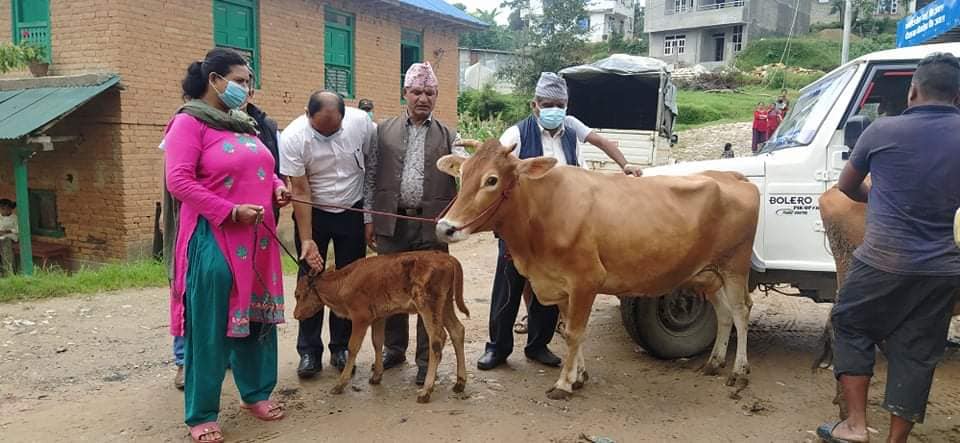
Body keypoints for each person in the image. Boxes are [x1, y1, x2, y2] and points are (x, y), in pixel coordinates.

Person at [817, 52, 960, 443]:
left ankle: (855, 425)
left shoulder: (882, 131)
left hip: (882, 260)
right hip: (944, 269)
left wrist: (878, 196)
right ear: (958, 98)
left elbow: (847, 187)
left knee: (850, 323)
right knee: (919, 350)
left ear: (913, 91)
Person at [476, 72, 643, 372]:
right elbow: (493, 163)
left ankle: (538, 346)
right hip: (520, 230)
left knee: (551, 289)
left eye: (561, 104)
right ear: (535, 105)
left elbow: (601, 140)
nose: (555, 109)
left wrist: (625, 164)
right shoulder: (516, 134)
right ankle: (497, 348)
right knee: (508, 286)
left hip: (560, 231)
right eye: (548, 104)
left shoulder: (570, 127)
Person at [164, 48, 289, 443]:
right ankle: (201, 414)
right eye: (239, 80)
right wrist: (230, 211)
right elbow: (179, 181)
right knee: (210, 326)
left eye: (248, 81)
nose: (245, 88)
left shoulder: (243, 124)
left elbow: (262, 171)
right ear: (214, 79)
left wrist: (278, 188)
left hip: (259, 240)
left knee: (258, 320)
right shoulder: (189, 124)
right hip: (214, 236)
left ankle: (255, 393)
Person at [366, 62, 468, 386]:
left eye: (429, 92)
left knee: (431, 295)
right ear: (404, 93)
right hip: (391, 222)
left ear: (436, 96)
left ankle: (428, 359)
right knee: (392, 290)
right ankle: (395, 349)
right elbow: (370, 176)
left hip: (431, 225)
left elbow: (466, 175)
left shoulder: (451, 135)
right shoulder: (382, 131)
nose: (422, 98)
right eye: (416, 91)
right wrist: (369, 217)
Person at [280, 90, 375, 379]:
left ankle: (341, 347)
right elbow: (300, 189)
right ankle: (309, 351)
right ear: (308, 115)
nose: (327, 137)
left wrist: (368, 215)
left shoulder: (362, 124)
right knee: (310, 277)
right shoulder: (293, 137)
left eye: (333, 131)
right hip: (313, 211)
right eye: (320, 130)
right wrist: (307, 240)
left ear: (344, 118)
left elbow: (371, 168)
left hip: (352, 210)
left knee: (350, 280)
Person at [0, 199, 18, 276]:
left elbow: (18, 229)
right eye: (2, 209)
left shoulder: (14, 218)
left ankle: (8, 271)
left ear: (11, 209)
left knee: (5, 245)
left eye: (7, 208)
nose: (5, 211)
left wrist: (7, 231)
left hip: (11, 237)